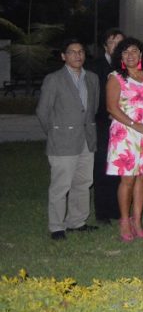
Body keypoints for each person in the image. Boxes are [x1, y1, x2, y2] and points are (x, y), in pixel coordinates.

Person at [36, 40, 101, 240]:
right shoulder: (54, 79)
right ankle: (56, 226)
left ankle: (77, 222)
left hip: (86, 140)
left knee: (83, 182)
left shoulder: (92, 78)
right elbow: (43, 111)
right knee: (61, 185)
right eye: (72, 52)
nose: (77, 55)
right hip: (63, 141)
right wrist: (55, 133)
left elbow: (93, 108)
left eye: (81, 51)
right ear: (63, 56)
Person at [106, 37, 143, 241]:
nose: (130, 55)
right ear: (120, 56)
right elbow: (112, 108)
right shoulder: (116, 77)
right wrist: (135, 125)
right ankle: (124, 220)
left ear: (141, 54)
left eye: (134, 51)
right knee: (128, 179)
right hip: (126, 132)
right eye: (125, 52)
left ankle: (137, 220)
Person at [87, 27, 123, 224]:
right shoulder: (95, 67)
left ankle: (117, 209)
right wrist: (109, 111)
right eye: (112, 42)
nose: (116, 46)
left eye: (120, 42)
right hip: (103, 124)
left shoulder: (128, 66)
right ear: (105, 46)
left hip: (124, 126)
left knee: (120, 167)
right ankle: (102, 212)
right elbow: (93, 97)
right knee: (102, 168)